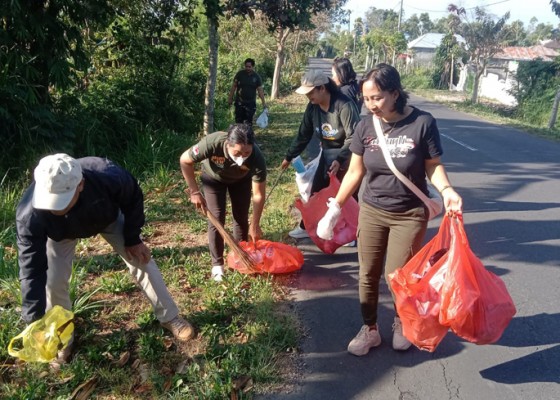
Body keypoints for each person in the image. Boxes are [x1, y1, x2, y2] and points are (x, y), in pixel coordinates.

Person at [316, 63, 463, 356]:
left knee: (397, 275)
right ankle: (369, 329)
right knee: (367, 273)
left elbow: (432, 166)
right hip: (371, 209)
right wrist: (335, 209)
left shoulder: (422, 123)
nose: (371, 105)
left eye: (378, 98)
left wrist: (447, 190)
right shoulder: (366, 125)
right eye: (367, 99)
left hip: (408, 214)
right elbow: (355, 171)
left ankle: (401, 321)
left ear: (395, 93)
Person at [16, 154, 195, 362]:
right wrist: (33, 318)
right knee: (53, 282)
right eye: (51, 201)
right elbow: (31, 269)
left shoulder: (108, 176)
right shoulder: (30, 213)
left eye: (62, 200)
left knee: (141, 260)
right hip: (60, 234)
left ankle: (170, 317)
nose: (56, 208)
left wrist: (132, 238)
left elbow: (133, 197)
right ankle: (64, 336)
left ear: (80, 184)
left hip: (107, 218)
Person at [180, 123, 267, 281]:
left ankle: (240, 257)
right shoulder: (212, 144)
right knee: (217, 218)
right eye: (237, 153)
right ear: (228, 144)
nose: (242, 157)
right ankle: (217, 265)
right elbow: (185, 160)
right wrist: (194, 191)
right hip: (214, 179)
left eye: (246, 152)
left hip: (241, 181)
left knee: (241, 217)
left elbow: (259, 194)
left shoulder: (256, 157)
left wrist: (255, 224)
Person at [280, 69, 360, 240]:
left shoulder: (344, 105)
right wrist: (289, 156)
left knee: (346, 196)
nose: (308, 97)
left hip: (349, 157)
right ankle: (307, 226)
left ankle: (348, 234)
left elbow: (354, 137)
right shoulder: (313, 107)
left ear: (322, 88)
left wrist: (340, 159)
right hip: (327, 154)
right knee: (317, 192)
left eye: (310, 93)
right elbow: (304, 134)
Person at [228, 58, 268, 125]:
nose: (248, 68)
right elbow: (234, 86)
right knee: (239, 122)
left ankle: (247, 135)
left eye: (249, 67)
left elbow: (260, 91)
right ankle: (239, 135)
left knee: (248, 123)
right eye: (246, 66)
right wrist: (230, 98)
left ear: (253, 67)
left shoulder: (256, 77)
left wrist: (264, 103)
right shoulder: (240, 74)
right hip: (239, 103)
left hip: (250, 104)